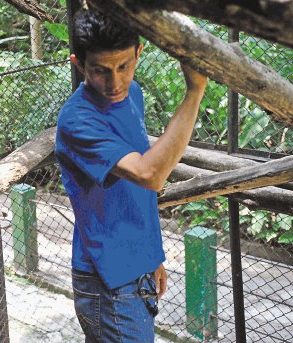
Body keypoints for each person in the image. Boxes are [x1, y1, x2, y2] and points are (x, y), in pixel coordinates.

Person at [54, 7, 208, 343]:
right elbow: (150, 174)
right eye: (100, 71)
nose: (115, 82)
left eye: (124, 66)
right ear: (77, 63)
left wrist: (151, 258)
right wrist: (194, 92)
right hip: (109, 283)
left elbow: (134, 195)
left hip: (133, 271)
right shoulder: (77, 120)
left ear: (139, 52)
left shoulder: (132, 94)